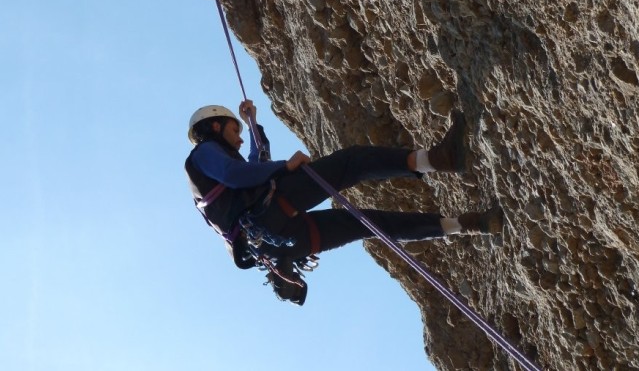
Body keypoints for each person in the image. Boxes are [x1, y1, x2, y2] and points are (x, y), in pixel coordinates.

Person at [185, 100, 503, 304]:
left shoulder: (218, 170)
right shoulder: (203, 154)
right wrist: (284, 166)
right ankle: (437, 159)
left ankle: (468, 225)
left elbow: (255, 160)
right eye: (233, 128)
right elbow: (237, 173)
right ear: (214, 126)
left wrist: (253, 122)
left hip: (278, 243)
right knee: (352, 163)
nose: (239, 137)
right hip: (269, 217)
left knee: (366, 224)